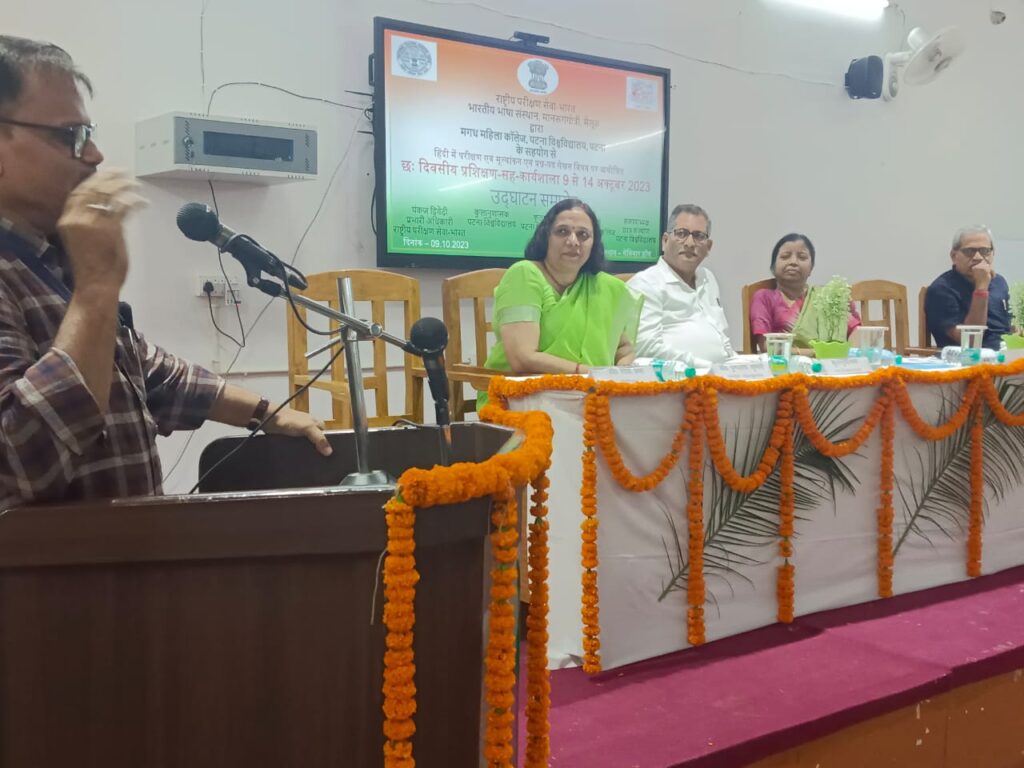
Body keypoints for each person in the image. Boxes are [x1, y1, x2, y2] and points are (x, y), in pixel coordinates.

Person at [0, 36, 330, 508]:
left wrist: (266, 414)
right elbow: (22, 460)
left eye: (88, 133)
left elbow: (142, 370)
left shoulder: (51, 255)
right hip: (58, 560)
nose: (94, 155)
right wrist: (96, 289)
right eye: (69, 135)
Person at [480, 198, 641, 404]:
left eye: (583, 235)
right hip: (523, 398)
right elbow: (523, 358)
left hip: (593, 397)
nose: (573, 241)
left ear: (594, 244)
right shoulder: (524, 275)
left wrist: (621, 375)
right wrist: (588, 374)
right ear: (545, 237)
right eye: (562, 231)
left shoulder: (606, 287)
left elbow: (624, 349)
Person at [629, 203, 734, 366]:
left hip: (720, 372)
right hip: (678, 376)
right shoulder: (646, 283)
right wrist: (703, 365)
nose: (690, 243)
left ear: (708, 247)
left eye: (699, 236)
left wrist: (738, 362)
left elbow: (722, 337)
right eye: (681, 233)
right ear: (665, 241)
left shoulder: (708, 278)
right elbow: (645, 348)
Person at [748, 233, 861, 352]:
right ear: (773, 267)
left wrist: (847, 354)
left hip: (829, 362)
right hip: (783, 362)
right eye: (785, 256)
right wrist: (816, 353)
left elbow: (856, 330)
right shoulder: (764, 298)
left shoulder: (826, 298)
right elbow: (766, 346)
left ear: (811, 268)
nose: (793, 262)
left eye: (802, 257)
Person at [925, 225, 1010, 350]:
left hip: (1008, 354)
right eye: (969, 251)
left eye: (985, 251)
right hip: (967, 357)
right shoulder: (941, 289)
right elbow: (970, 342)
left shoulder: (999, 282)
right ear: (953, 256)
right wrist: (981, 288)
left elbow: (1009, 328)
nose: (978, 257)